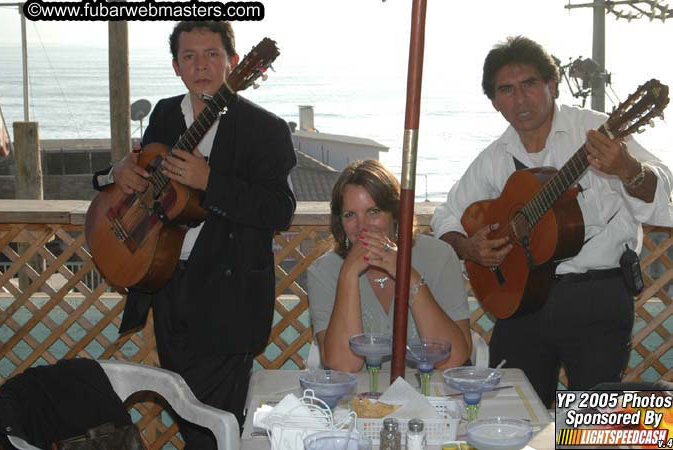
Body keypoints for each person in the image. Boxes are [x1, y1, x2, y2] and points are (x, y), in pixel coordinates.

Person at [431, 36, 673, 407]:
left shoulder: (598, 131)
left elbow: (665, 189)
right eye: (506, 90)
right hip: (520, 302)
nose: (520, 98)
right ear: (495, 102)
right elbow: (446, 214)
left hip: (596, 296)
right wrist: (467, 247)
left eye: (529, 84)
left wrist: (628, 169)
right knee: (507, 411)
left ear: (552, 85)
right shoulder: (495, 156)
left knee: (591, 424)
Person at [92, 21, 296, 448]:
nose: (201, 65)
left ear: (235, 63)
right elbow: (143, 180)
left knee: (212, 421)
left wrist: (211, 181)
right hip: (165, 282)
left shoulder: (266, 130)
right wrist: (118, 173)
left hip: (229, 294)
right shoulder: (164, 114)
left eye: (212, 54)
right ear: (176, 66)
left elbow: (280, 209)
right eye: (189, 56)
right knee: (188, 409)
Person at [308, 159, 472, 372]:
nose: (362, 227)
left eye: (373, 211)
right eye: (350, 215)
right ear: (340, 222)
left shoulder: (440, 256)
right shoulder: (323, 271)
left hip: (429, 396)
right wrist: (348, 275)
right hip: (361, 402)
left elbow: (453, 359)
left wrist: (408, 276)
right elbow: (344, 364)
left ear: (395, 215)